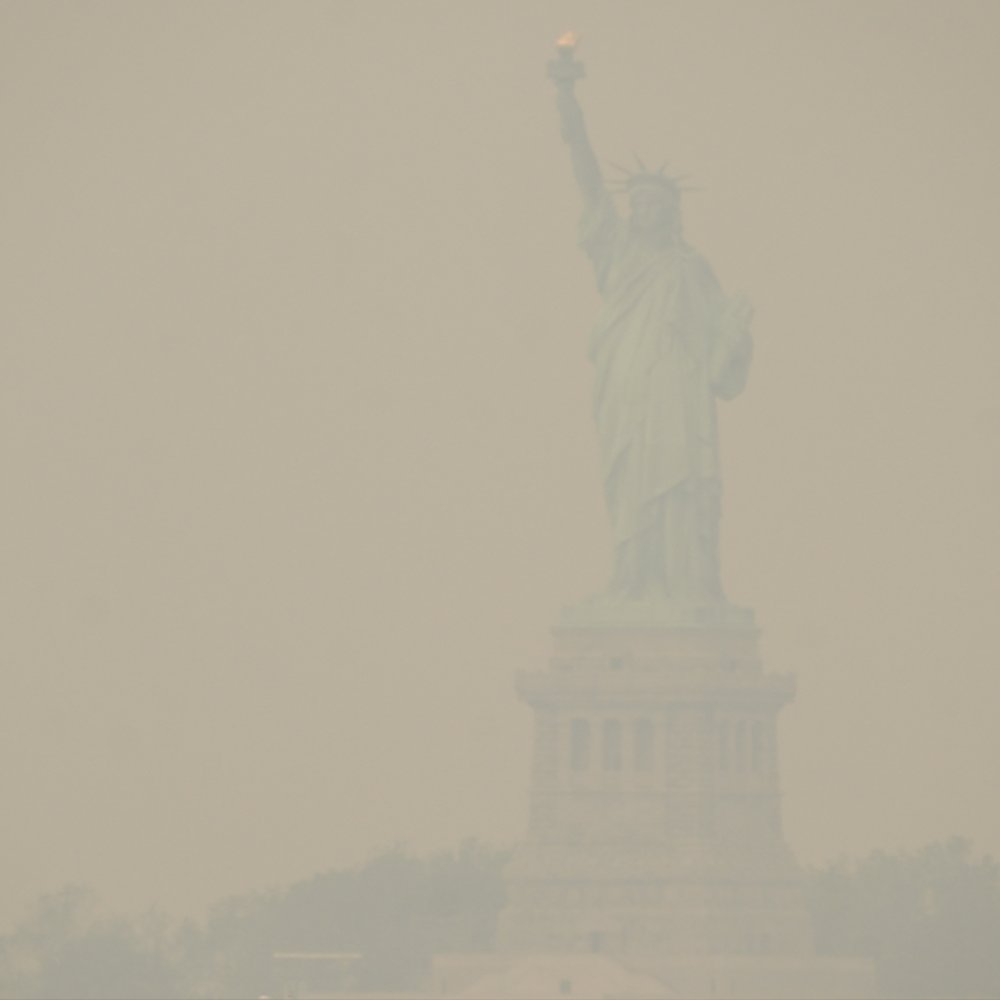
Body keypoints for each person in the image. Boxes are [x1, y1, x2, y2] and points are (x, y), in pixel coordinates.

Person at [552, 63, 753, 603]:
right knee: (632, 481)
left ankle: (690, 582)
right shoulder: (616, 251)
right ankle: (631, 577)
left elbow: (720, 354)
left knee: (682, 480)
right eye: (636, 202)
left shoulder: (692, 269)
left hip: (679, 387)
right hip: (628, 386)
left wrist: (734, 335)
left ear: (672, 212)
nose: (644, 210)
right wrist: (568, 104)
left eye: (654, 204)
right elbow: (588, 180)